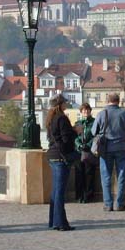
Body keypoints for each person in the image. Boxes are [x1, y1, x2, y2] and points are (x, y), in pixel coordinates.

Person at [91, 93, 125, 212]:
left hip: (105, 149)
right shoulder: (124, 113)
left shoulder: (102, 113)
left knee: (106, 176)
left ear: (107, 101)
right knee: (122, 176)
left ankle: (108, 204)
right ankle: (120, 204)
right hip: (121, 148)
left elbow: (93, 131)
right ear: (118, 101)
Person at [46, 94, 78, 231]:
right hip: (60, 157)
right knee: (59, 192)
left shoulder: (50, 118)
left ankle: (53, 221)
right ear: (60, 104)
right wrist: (75, 132)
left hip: (52, 156)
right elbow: (66, 140)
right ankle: (60, 223)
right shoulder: (62, 118)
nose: (66, 104)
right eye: (65, 102)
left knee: (55, 191)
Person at [73, 102, 97, 203]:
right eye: (83, 110)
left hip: (89, 151)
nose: (85, 112)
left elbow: (96, 136)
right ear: (81, 112)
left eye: (87, 110)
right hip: (79, 152)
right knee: (79, 174)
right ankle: (79, 195)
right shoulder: (78, 123)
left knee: (89, 173)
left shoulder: (94, 122)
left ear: (90, 111)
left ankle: (88, 195)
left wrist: (88, 144)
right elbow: (74, 137)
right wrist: (79, 144)